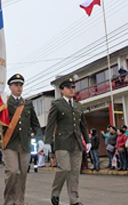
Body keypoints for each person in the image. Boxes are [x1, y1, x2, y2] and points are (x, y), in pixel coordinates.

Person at [0, 73, 43, 205]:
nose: (19, 88)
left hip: (25, 144)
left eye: (20, 85)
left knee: (22, 174)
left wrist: (40, 138)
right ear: (10, 87)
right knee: (12, 172)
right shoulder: (4, 102)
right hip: (9, 143)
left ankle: (19, 201)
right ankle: (8, 201)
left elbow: (35, 123)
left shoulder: (27, 104)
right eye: (16, 85)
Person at [44, 77, 91, 205]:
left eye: (73, 87)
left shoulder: (78, 105)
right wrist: (47, 141)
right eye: (68, 88)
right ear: (62, 90)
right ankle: (55, 193)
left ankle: (74, 200)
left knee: (75, 172)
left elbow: (83, 125)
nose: (71, 90)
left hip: (76, 142)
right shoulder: (57, 104)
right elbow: (50, 124)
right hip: (62, 142)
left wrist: (88, 141)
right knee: (64, 168)